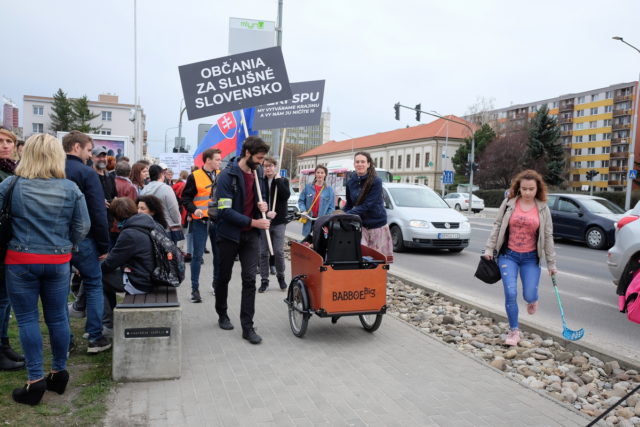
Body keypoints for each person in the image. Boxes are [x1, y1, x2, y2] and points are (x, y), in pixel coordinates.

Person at [1, 133, 90, 405]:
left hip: (20, 260)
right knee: (58, 318)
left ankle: (35, 379)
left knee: (27, 319)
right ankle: (59, 373)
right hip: (58, 261)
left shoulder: (11, 184)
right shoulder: (70, 189)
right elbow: (82, 227)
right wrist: (68, 246)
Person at [483, 169, 557, 347]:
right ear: (519, 188)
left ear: (537, 189)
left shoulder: (543, 208)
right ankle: (514, 331)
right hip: (508, 256)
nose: (527, 193)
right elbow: (497, 225)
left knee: (529, 294)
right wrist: (489, 248)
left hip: (531, 258)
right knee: (510, 292)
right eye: (524, 189)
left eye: (531, 189)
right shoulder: (509, 203)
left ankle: (533, 299)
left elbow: (548, 236)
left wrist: (552, 264)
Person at [214, 137, 270, 344]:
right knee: (224, 276)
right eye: (259, 158)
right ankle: (222, 312)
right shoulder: (227, 176)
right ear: (247, 153)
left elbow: (259, 198)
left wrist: (263, 208)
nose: (261, 162)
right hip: (229, 234)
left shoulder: (259, 173)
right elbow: (225, 211)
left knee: (249, 279)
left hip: (250, 236)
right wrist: (254, 222)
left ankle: (247, 326)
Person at [63, 131, 112, 354]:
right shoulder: (86, 173)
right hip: (84, 239)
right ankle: (94, 337)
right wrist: (104, 246)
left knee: (59, 290)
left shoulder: (50, 170)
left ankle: (64, 340)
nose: (90, 156)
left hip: (55, 240)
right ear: (76, 147)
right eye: (89, 150)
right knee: (94, 283)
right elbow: (98, 211)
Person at [101, 198, 159, 332]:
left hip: (140, 282)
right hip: (151, 276)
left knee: (95, 278)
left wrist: (93, 268)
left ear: (116, 216)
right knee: (101, 276)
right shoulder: (146, 223)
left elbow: (110, 264)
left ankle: (107, 324)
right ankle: (81, 308)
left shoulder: (129, 233)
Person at [182, 149, 222, 303]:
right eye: (217, 159)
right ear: (207, 160)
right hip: (200, 221)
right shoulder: (195, 176)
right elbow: (186, 198)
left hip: (217, 221)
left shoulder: (221, 175)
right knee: (197, 256)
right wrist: (194, 210)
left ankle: (216, 285)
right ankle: (194, 289)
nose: (219, 162)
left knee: (218, 256)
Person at [0, 127, 25, 370]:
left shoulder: (12, 171)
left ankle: (4, 343)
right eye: (1, 141)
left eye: (10, 141)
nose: (6, 145)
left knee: (5, 299)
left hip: (9, 242)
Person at [344, 152, 393, 260]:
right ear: (354, 164)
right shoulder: (350, 182)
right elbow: (349, 203)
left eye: (363, 162)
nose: (360, 164)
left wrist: (348, 214)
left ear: (368, 164)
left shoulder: (376, 181)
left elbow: (368, 204)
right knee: (361, 257)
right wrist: (341, 214)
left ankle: (376, 277)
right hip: (360, 225)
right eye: (357, 162)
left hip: (376, 224)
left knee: (376, 260)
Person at [258, 156, 290, 292]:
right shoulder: (260, 182)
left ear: (275, 167)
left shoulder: (282, 181)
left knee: (278, 251)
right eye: (265, 166)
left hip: (279, 222)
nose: (268, 168)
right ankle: (264, 280)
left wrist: (278, 181)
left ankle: (281, 276)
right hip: (264, 221)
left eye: (270, 166)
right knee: (263, 252)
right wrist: (263, 211)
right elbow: (257, 199)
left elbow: (286, 196)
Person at [140, 164, 182, 243]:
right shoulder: (166, 189)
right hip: (166, 228)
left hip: (149, 227)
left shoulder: (144, 190)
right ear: (161, 175)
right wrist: (177, 223)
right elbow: (173, 209)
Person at [298, 165, 335, 237]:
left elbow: (331, 207)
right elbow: (301, 201)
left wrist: (326, 218)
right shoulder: (308, 187)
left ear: (325, 174)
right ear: (315, 174)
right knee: (307, 241)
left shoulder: (329, 190)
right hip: (309, 220)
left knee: (319, 241)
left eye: (322, 173)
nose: (320, 175)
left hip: (321, 222)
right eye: (318, 172)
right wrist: (303, 210)